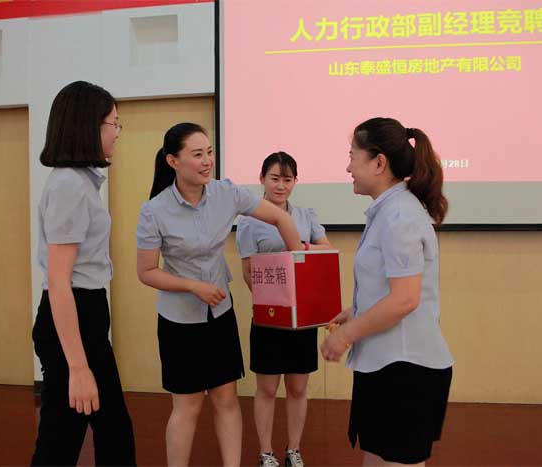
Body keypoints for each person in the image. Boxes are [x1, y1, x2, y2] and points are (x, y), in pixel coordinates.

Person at [136, 123, 304, 466]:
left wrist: (298, 266)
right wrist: (192, 286)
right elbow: (147, 271)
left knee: (226, 398)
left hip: (220, 315)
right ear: (173, 161)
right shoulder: (154, 210)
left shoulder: (226, 193)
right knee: (188, 404)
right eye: (197, 154)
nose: (207, 161)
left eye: (209, 152)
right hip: (179, 320)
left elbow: (281, 219)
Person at [321, 117, 454, 467]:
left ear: (379, 163)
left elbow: (405, 299)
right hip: (387, 365)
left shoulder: (400, 215)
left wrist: (346, 335)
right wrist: (355, 311)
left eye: (352, 156)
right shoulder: (388, 211)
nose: (348, 167)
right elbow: (389, 287)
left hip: (406, 371)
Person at [31, 80, 136, 466]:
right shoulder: (69, 187)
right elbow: (60, 282)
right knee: (66, 439)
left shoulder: (79, 182)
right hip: (73, 315)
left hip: (84, 313)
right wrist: (77, 367)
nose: (117, 132)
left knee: (109, 432)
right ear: (88, 126)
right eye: (113, 123)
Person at [236, 152, 331, 467]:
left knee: (298, 387)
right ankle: (266, 453)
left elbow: (325, 250)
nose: (280, 185)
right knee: (266, 388)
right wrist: (274, 301)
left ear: (295, 181)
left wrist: (300, 248)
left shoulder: (306, 215)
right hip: (270, 317)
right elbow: (248, 272)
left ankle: (294, 450)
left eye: (287, 179)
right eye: (274, 179)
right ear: (262, 179)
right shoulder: (249, 221)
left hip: (303, 318)